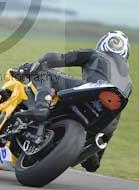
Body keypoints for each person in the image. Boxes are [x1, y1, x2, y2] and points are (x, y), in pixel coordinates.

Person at [17, 30, 132, 172]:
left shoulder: (94, 54)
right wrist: (96, 155)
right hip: (103, 123)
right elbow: (114, 119)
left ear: (102, 44)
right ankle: (91, 153)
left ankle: (41, 106)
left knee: (44, 73)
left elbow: (57, 58)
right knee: (111, 119)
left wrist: (35, 65)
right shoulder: (128, 82)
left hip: (89, 93)